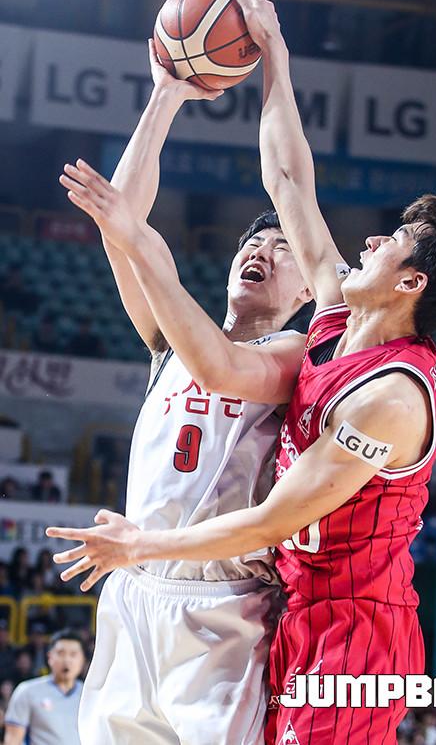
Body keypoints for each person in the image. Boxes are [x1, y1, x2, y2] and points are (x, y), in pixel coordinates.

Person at [48, 0, 436, 745]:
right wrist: (274, 55)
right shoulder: (335, 319)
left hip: (349, 627)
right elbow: (289, 178)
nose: (368, 241)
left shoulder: (389, 398)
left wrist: (140, 544)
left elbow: (274, 516)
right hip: (279, 603)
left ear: (410, 283)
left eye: (392, 241)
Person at [48, 39, 312, 745]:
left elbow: (222, 366)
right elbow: (122, 227)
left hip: (223, 606)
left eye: (283, 248)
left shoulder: (296, 354)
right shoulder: (170, 343)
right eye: (253, 244)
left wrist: (137, 240)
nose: (261, 250)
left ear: (307, 291)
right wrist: (166, 94)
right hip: (135, 585)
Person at [4, 629, 85, 745]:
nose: (67, 660)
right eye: (61, 653)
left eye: (73, 654)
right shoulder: (27, 691)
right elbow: (12, 740)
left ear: (82, 660)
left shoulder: (90, 696)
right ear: (50, 657)